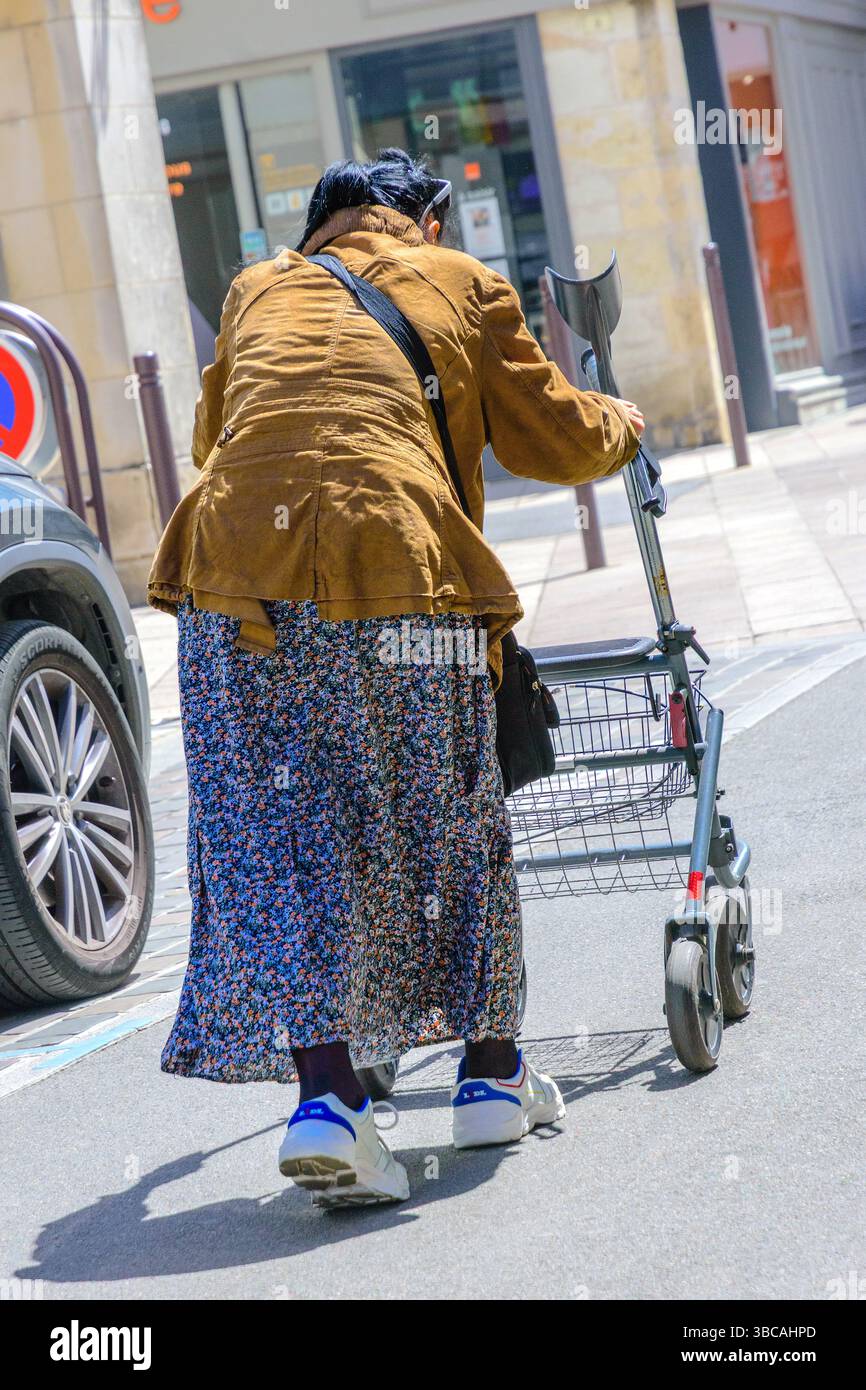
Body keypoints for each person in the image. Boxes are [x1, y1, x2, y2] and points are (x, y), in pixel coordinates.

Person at [148, 148, 644, 1209]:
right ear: (423, 222)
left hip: (236, 599)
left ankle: (327, 1102)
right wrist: (621, 423)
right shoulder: (462, 280)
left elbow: (212, 435)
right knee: (452, 814)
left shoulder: (255, 289)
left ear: (318, 230)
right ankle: (489, 1074)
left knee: (288, 838)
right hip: (403, 589)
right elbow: (553, 436)